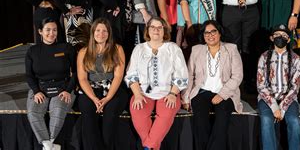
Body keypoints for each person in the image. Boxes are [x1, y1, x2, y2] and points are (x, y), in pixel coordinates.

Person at [124, 17, 188, 150]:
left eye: (160, 28)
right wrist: (137, 94)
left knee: (166, 113)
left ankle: (148, 147)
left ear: (164, 30)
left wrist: (172, 94)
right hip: (143, 92)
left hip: (168, 92)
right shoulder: (139, 48)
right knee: (137, 111)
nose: (156, 30)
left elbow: (181, 74)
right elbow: (131, 75)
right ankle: (152, 146)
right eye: (153, 27)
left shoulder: (172, 48)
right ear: (148, 30)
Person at [182, 20, 243, 150]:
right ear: (203, 36)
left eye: (213, 31)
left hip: (226, 92)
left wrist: (222, 94)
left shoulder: (231, 49)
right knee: (200, 123)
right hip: (202, 91)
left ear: (220, 33)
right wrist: (186, 97)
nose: (210, 35)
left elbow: (237, 76)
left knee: (221, 124)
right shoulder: (196, 50)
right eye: (206, 33)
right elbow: (189, 75)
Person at [76, 18, 128, 150]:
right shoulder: (83, 52)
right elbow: (82, 78)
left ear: (109, 33)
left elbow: (118, 76)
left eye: (105, 31)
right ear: (93, 32)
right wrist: (94, 98)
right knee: (88, 115)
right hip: (90, 89)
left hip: (112, 89)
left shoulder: (117, 49)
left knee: (110, 116)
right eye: (98, 30)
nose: (101, 33)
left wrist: (107, 99)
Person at [25, 18, 76, 150]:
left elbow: (76, 73)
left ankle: (50, 142)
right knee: (33, 112)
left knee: (58, 110)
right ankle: (48, 146)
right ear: (40, 31)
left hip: (63, 87)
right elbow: (29, 76)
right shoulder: (33, 51)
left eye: (54, 30)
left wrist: (68, 90)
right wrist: (36, 91)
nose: (51, 33)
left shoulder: (66, 48)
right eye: (48, 30)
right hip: (40, 87)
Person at [257, 24, 300, 150]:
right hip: (267, 98)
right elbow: (261, 86)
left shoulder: (296, 59)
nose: (280, 37)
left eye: (284, 36)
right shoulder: (264, 57)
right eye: (277, 35)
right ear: (272, 38)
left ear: (288, 40)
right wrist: (274, 106)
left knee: (294, 122)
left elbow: (295, 87)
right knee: (266, 120)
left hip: (288, 98)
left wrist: (282, 108)